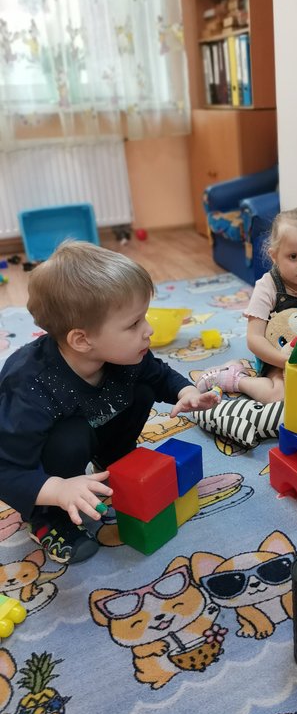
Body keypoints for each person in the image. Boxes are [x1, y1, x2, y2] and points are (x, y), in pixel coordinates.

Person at [0, 241, 219, 564]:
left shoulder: (125, 355)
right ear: (82, 340)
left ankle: (113, 460)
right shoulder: (30, 385)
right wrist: (57, 489)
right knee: (70, 437)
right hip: (49, 461)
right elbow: (7, 469)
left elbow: (158, 375)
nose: (148, 330)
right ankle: (47, 517)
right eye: (133, 324)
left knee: (141, 389)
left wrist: (186, 392)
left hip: (96, 424)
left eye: (144, 318)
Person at [197, 207, 297, 403]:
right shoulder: (267, 286)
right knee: (280, 397)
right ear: (274, 256)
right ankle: (235, 379)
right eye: (293, 256)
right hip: (278, 358)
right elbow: (255, 338)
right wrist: (287, 362)